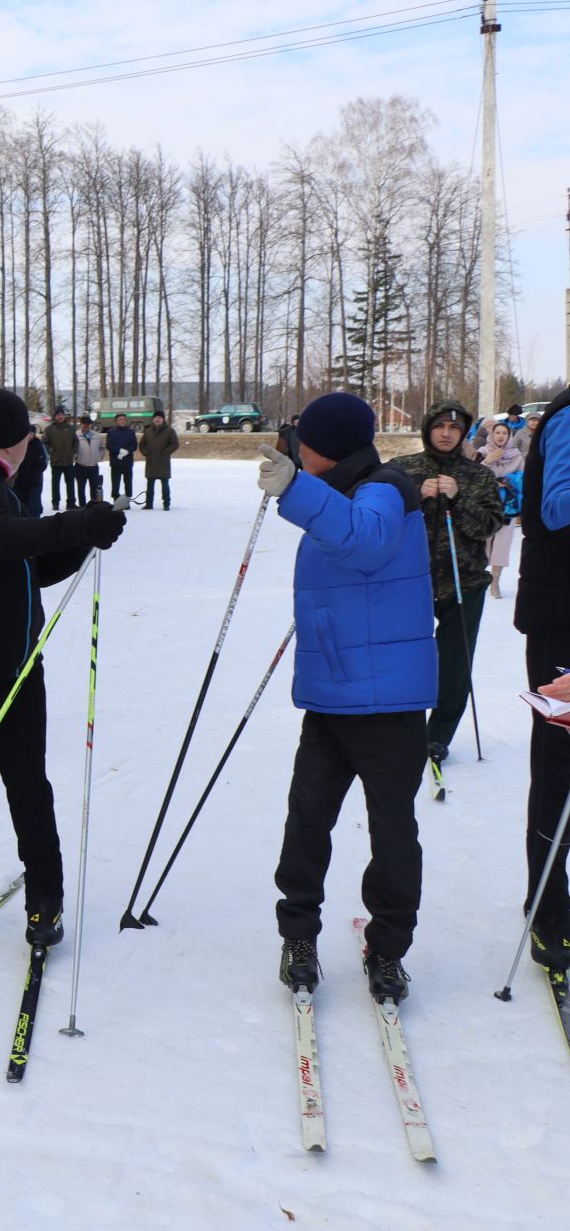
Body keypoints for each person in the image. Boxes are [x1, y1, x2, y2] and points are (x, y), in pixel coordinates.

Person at [0, 388, 126, 946]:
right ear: (13, 440)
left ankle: (45, 900)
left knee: (28, 785)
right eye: (27, 437)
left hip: (14, 665)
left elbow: (24, 564)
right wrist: (73, 523)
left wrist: (84, 537)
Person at [255, 393, 435, 1002]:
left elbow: (364, 542)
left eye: (302, 440)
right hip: (335, 694)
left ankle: (388, 948)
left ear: (323, 446)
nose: (295, 449)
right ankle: (298, 934)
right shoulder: (338, 490)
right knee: (307, 819)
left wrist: (294, 492)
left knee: (390, 830)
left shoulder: (385, 487)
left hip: (387, 704)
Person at [388, 401, 502, 766]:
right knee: (406, 660)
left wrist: (459, 497)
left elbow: (489, 526)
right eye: (439, 426)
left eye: (454, 428)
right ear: (427, 429)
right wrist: (414, 495)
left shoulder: (479, 476)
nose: (446, 433)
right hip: (409, 582)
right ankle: (401, 730)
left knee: (454, 666)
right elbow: (378, 516)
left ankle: (438, 736)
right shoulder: (401, 470)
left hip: (463, 582)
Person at [514, 385, 570, 969]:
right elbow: (556, 507)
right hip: (562, 617)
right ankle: (547, 905)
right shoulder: (569, 416)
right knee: (559, 763)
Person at [479, 420, 524, 597]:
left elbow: (523, 479)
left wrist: (509, 481)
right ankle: (480, 579)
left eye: (504, 433)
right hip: (485, 506)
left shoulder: (517, 456)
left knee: (501, 546)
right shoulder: (482, 453)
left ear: (509, 436)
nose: (500, 436)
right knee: (483, 543)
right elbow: (473, 477)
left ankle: (495, 582)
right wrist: (487, 462)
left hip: (508, 506)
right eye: (497, 432)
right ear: (492, 434)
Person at [141, 410, 180, 509]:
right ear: (153, 419)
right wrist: (146, 453)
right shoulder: (148, 431)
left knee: (165, 485)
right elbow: (142, 444)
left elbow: (175, 444)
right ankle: (149, 504)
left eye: (159, 418)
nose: (157, 419)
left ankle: (166, 504)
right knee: (150, 485)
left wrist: (166, 453)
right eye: (155, 418)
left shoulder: (169, 431)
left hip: (163, 462)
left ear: (163, 419)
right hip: (151, 461)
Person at [42, 410, 78, 509]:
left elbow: (76, 442)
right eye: (58, 415)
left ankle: (71, 503)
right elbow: (44, 442)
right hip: (56, 461)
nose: (60, 416)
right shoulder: (49, 429)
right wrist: (50, 452)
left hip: (68, 461)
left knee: (70, 483)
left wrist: (72, 452)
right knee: (55, 483)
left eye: (62, 415)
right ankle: (55, 502)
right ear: (55, 416)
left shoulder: (70, 428)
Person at [14, 427, 47, 517]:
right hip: (19, 480)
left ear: (33, 434)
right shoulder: (18, 444)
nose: (27, 436)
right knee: (21, 505)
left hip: (34, 482)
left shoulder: (38, 445)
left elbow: (43, 463)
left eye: (30, 433)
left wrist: (34, 474)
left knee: (34, 505)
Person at [105, 413, 138, 501]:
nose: (122, 421)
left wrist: (127, 451)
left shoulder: (131, 432)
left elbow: (134, 445)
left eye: (124, 419)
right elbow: (109, 445)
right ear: (116, 421)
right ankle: (116, 500)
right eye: (120, 420)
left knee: (128, 483)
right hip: (116, 462)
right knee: (115, 484)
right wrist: (119, 450)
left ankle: (127, 500)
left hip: (127, 462)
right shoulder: (111, 432)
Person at [73, 415, 105, 505]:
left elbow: (102, 448)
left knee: (94, 488)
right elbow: (72, 448)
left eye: (88, 424)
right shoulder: (75, 435)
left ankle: (93, 506)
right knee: (81, 488)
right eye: (84, 424)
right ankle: (83, 507)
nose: (86, 426)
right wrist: (74, 457)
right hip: (80, 466)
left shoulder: (96, 435)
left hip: (93, 467)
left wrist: (99, 457)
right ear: (81, 424)